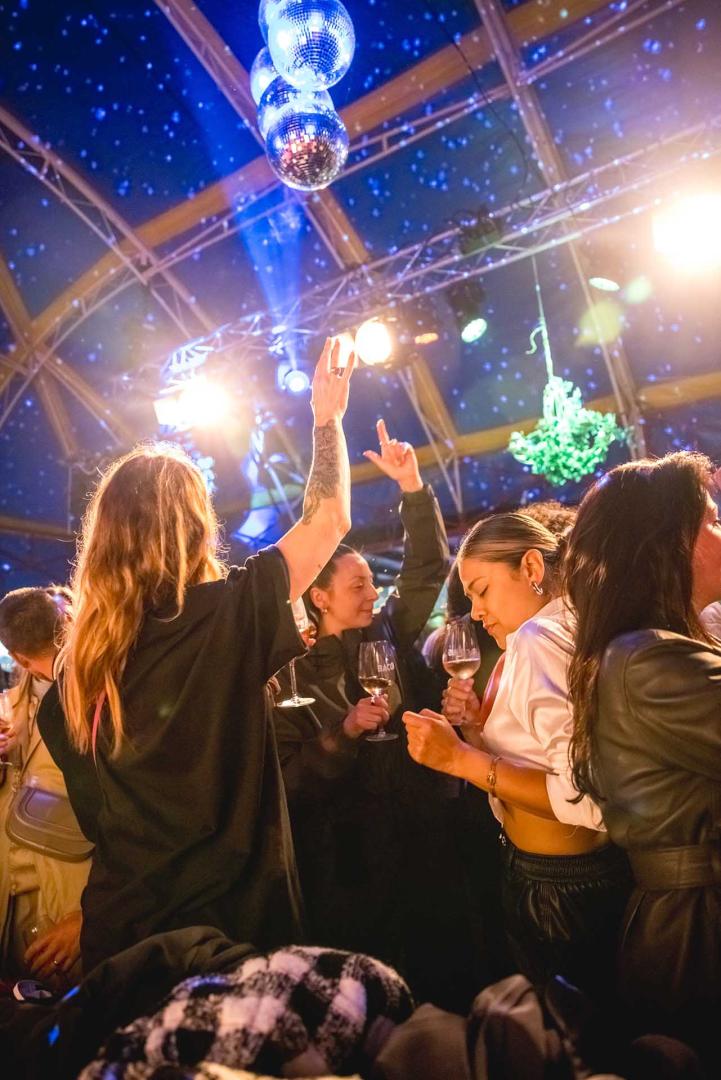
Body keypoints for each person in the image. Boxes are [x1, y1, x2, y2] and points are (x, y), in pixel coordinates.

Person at [39, 339, 356, 972]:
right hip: (233, 928)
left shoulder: (75, 673)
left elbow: (98, 821)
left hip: (123, 930)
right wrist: (328, 419)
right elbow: (330, 520)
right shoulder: (232, 612)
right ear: (196, 525)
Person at [272, 420, 482, 1008]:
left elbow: (427, 567)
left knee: (446, 966)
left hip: (422, 832)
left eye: (372, 583)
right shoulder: (290, 671)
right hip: (349, 864)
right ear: (319, 596)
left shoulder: (387, 630)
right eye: (359, 585)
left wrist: (413, 488)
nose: (373, 593)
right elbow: (289, 781)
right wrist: (342, 734)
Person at [402, 512, 631, 998]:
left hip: (559, 887)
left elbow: (587, 799)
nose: (476, 612)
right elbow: (548, 754)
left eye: (482, 590)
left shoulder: (536, 638)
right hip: (580, 876)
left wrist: (456, 759)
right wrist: (475, 730)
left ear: (531, 567)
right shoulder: (573, 623)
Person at [564, 451, 721, 1064]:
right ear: (668, 543)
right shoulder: (648, 660)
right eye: (711, 520)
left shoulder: (646, 649)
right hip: (698, 934)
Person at [0, 586, 91, 984]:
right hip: (12, 907)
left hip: (70, 899)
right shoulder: (9, 704)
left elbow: (133, 820)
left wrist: (89, 915)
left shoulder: (100, 701)